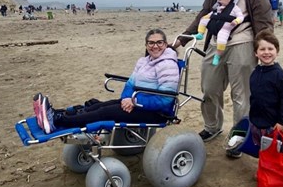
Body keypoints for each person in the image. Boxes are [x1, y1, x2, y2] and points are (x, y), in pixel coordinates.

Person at [172, 0, 272, 142]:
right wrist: (182, 39)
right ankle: (212, 126)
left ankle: (239, 136)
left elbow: (263, 17)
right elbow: (204, 13)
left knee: (241, 94)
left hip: (243, 40)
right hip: (216, 42)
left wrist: (264, 46)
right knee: (209, 87)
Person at [33, 29, 180, 134]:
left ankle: (57, 122)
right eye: (151, 43)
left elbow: (166, 99)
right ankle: (57, 114)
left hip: (155, 112)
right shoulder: (144, 61)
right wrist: (126, 98)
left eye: (159, 42)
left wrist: (134, 101)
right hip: (136, 102)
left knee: (104, 112)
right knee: (99, 106)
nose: (155, 46)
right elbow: (130, 84)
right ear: (146, 45)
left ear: (166, 44)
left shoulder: (167, 65)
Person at [227, 30, 283, 158]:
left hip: (275, 124)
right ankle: (264, 170)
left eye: (270, 49)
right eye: (262, 49)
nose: (266, 52)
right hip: (258, 122)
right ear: (256, 53)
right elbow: (254, 97)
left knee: (275, 152)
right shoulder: (255, 73)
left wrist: (282, 122)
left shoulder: (282, 76)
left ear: (277, 51)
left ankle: (272, 174)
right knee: (262, 150)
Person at [194, 0, 245, 66]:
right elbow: (213, 13)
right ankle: (200, 33)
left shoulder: (234, 8)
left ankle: (217, 56)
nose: (218, 1)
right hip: (217, 20)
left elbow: (241, 17)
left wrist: (236, 21)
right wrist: (207, 16)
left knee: (221, 41)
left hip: (225, 28)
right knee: (203, 19)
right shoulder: (218, 7)